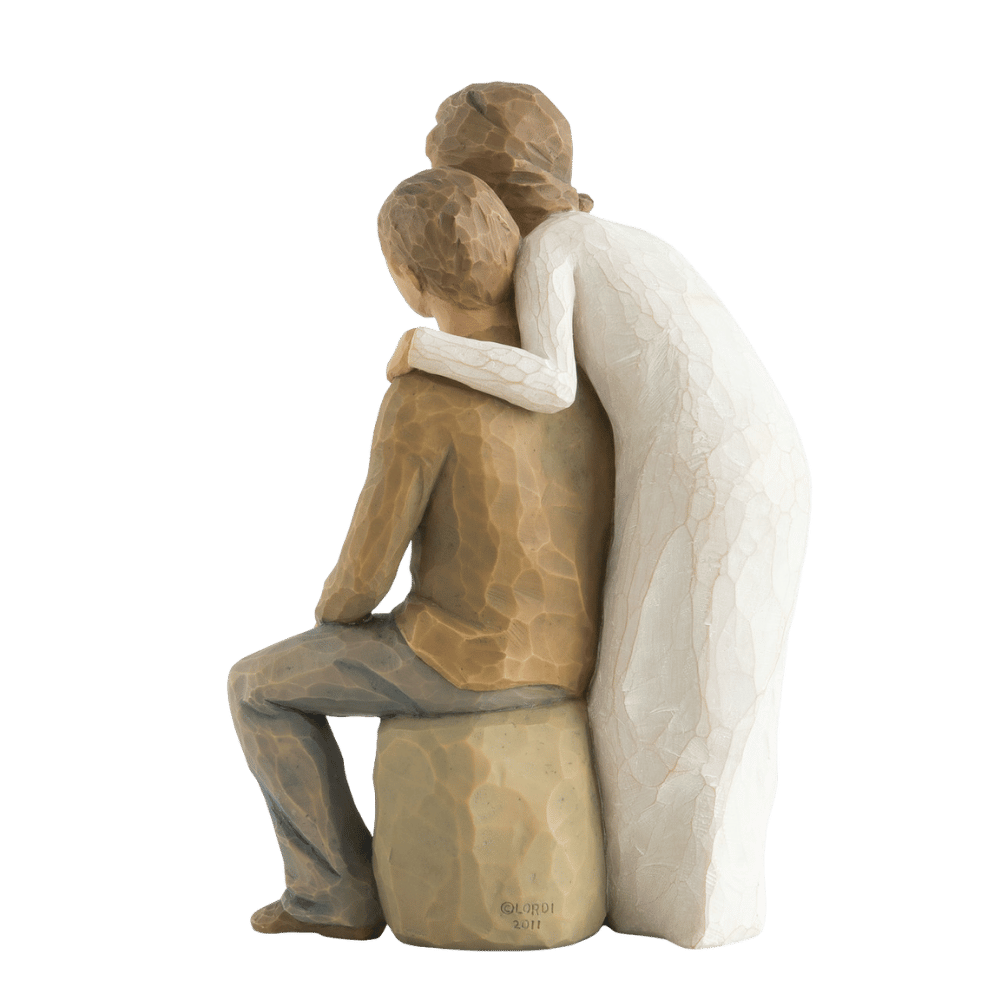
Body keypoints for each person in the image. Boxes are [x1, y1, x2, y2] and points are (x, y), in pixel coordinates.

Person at [387, 82, 812, 949]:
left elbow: (550, 383)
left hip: (704, 475)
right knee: (711, 682)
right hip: (755, 464)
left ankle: (677, 902)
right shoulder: (624, 237)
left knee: (656, 684)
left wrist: (428, 349)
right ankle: (700, 899)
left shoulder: (555, 248)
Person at [227, 166, 614, 941]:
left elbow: (364, 578)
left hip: (462, 661)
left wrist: (334, 612)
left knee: (256, 687)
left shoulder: (424, 393)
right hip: (573, 656)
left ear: (408, 278)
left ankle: (332, 895)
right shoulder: (578, 383)